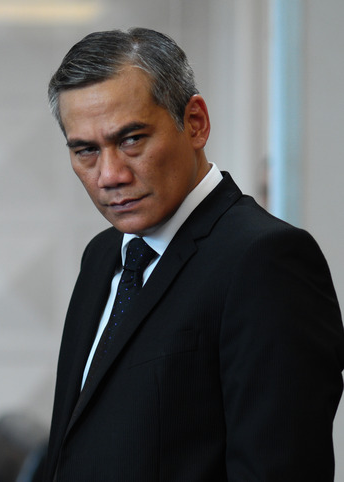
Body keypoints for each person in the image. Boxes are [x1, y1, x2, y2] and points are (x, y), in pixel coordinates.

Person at [43, 27, 344, 481]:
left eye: (131, 140)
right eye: (86, 150)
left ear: (196, 123)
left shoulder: (266, 260)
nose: (109, 175)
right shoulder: (102, 255)